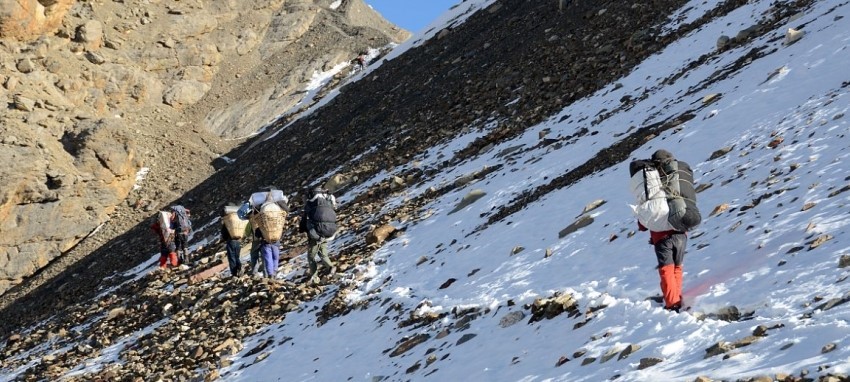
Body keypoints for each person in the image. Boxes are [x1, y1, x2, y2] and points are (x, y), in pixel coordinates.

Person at [634, 149, 690, 312]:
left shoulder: (651, 188)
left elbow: (644, 222)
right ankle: (676, 296)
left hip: (662, 237)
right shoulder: (676, 182)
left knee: (666, 270)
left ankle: (672, 303)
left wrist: (644, 226)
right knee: (677, 267)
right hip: (681, 233)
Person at [299, 186, 338, 284]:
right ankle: (331, 267)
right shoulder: (327, 202)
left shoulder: (310, 204)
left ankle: (314, 277)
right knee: (323, 253)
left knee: (311, 256)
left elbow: (306, 221)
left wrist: (303, 229)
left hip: (316, 234)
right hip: (328, 231)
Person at [221, 206, 243, 278]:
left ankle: (234, 273)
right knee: (237, 256)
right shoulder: (238, 219)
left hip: (231, 241)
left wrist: (225, 238)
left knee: (232, 257)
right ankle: (240, 268)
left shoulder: (227, 221)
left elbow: (224, 233)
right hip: (238, 241)